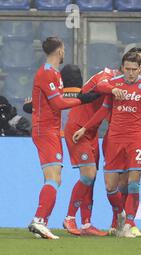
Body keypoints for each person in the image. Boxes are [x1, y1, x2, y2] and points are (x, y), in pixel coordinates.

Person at [73, 52, 141, 238]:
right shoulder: (114, 85)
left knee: (133, 184)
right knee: (110, 187)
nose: (130, 73)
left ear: (139, 69)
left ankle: (128, 224)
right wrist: (85, 129)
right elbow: (104, 110)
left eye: (134, 70)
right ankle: (120, 215)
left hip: (136, 138)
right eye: (127, 69)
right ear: (122, 68)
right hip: (114, 139)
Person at [27, 37, 100, 239]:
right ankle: (39, 220)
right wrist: (82, 99)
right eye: (64, 48)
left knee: (52, 178)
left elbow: (45, 101)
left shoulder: (55, 74)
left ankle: (42, 222)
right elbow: (58, 104)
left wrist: (32, 105)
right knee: (54, 178)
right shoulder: (46, 73)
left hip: (50, 129)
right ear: (60, 50)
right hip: (45, 130)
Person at [61, 64, 125, 236]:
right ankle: (69, 217)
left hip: (90, 130)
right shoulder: (107, 76)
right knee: (87, 175)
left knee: (91, 179)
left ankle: (86, 223)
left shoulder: (123, 85)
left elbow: (103, 111)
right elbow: (102, 86)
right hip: (77, 127)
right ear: (123, 68)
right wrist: (113, 89)